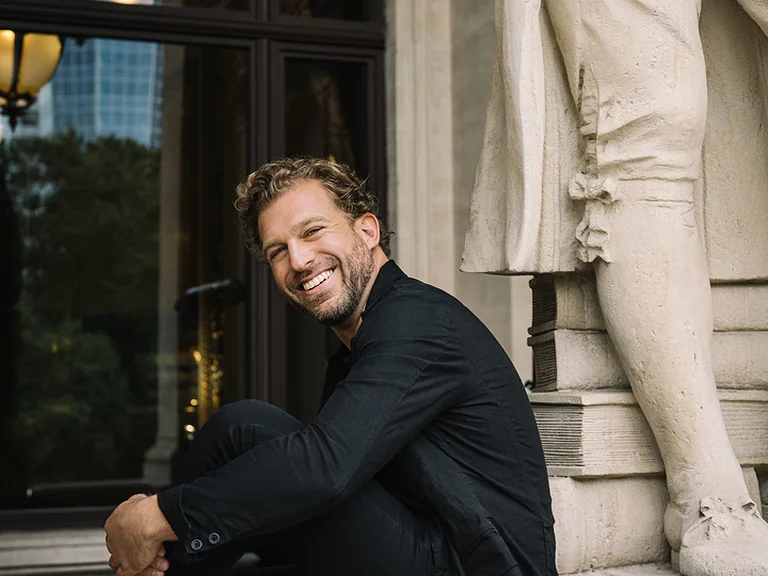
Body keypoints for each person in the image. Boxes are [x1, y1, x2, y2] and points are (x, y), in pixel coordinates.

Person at [104, 157, 557, 576]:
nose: (299, 260)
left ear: (368, 231)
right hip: (429, 547)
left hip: (475, 563)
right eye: (278, 251)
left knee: (242, 430)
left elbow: (327, 468)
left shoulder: (418, 322)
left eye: (314, 231)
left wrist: (157, 515)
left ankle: (151, 554)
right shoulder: (354, 351)